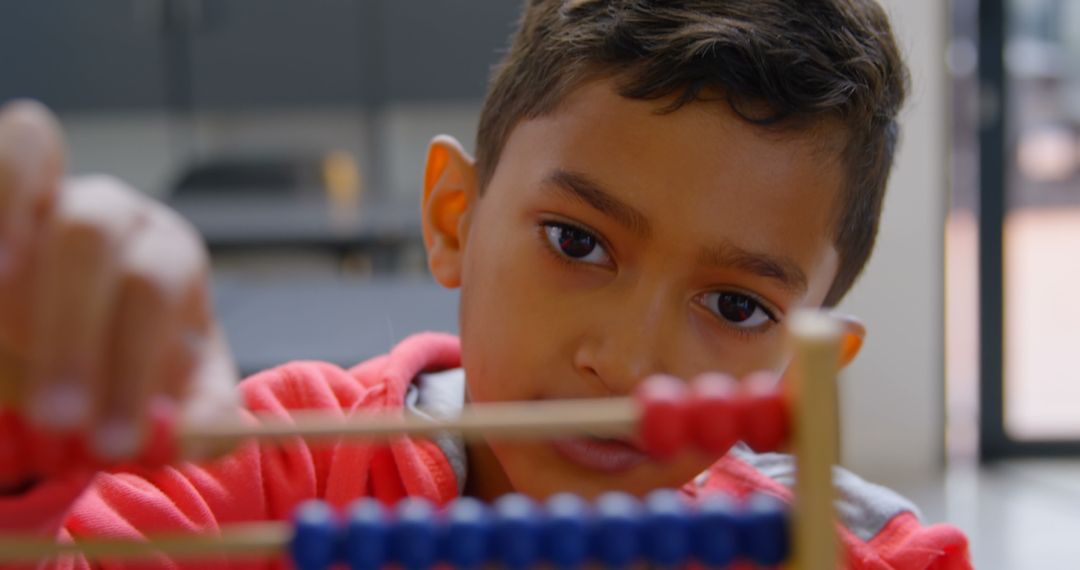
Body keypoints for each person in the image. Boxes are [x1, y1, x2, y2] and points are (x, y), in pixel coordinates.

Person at [0, 0, 970, 568]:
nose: (628, 362)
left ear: (806, 363)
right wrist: (20, 469)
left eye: (737, 306)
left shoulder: (850, 550)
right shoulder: (277, 465)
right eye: (576, 242)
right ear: (453, 217)